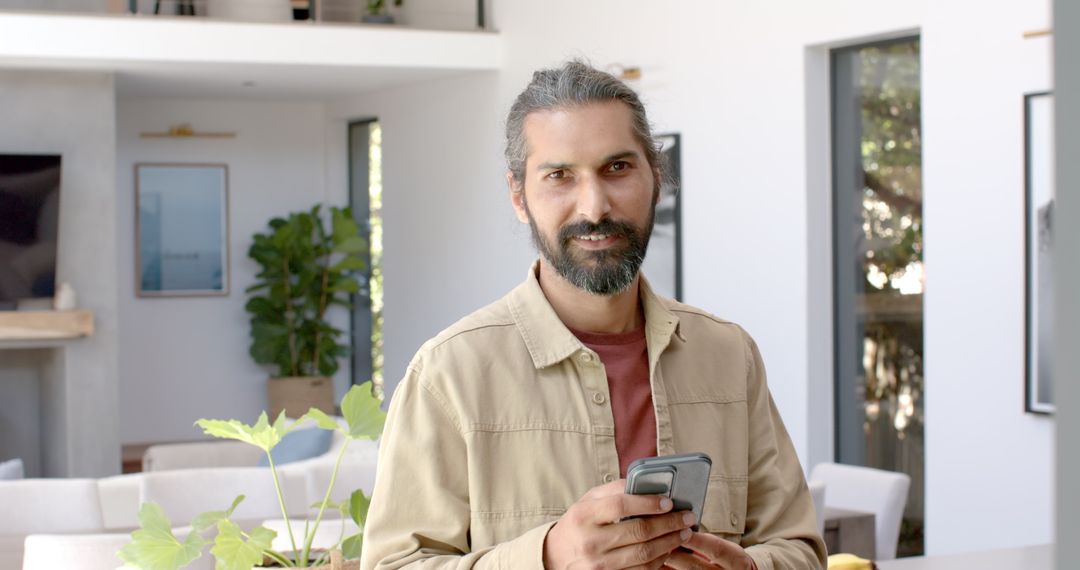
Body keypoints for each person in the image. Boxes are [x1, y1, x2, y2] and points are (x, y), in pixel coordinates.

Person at [360, 60, 827, 570]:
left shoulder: (730, 354)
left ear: (657, 176)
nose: (594, 206)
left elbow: (800, 548)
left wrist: (750, 567)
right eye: (560, 175)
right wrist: (547, 558)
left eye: (617, 168)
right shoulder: (448, 373)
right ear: (519, 195)